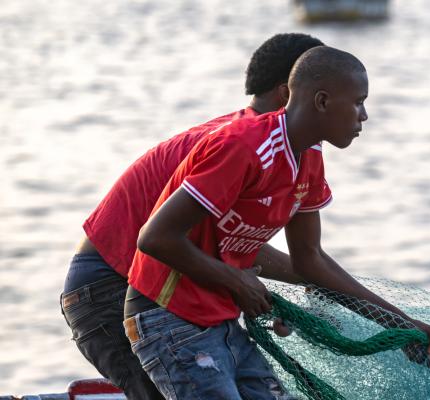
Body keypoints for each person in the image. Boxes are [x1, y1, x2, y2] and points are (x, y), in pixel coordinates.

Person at [125, 46, 430, 399]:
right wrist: (237, 282)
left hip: (220, 319)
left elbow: (311, 261)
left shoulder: (310, 156)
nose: (364, 115)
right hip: (168, 316)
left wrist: (399, 323)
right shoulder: (244, 146)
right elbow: (155, 238)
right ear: (321, 101)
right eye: (358, 102)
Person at [60, 33, 326, 400]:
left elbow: (229, 249)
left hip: (176, 282)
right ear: (290, 93)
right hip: (108, 285)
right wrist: (302, 279)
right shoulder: (237, 145)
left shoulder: (283, 151)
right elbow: (171, 243)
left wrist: (313, 286)